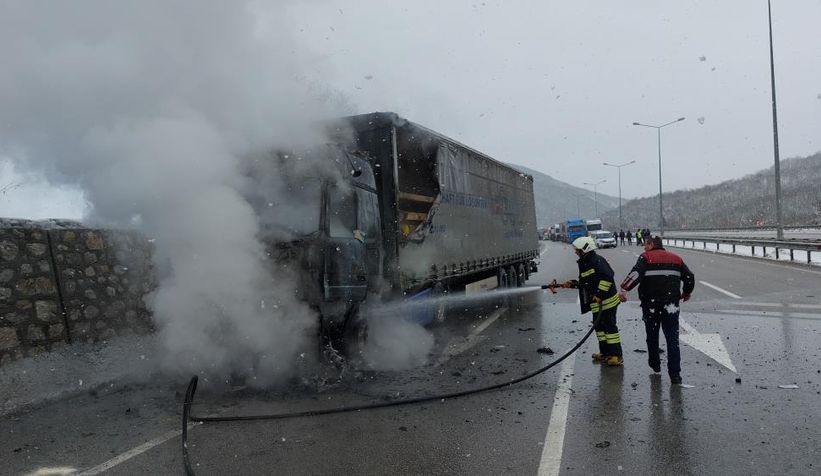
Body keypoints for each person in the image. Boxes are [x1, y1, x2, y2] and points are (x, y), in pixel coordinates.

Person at [619, 235, 695, 384]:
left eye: (645, 245)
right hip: (671, 306)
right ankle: (675, 375)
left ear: (652, 244)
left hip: (651, 306)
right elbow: (689, 277)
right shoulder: (676, 259)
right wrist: (686, 292)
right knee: (672, 339)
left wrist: (624, 288)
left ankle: (655, 365)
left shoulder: (646, 258)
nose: (644, 248)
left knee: (652, 337)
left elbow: (635, 275)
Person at [562, 236, 623, 366]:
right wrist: (572, 284)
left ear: (585, 249)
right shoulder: (585, 263)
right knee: (599, 328)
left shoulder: (597, 261)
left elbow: (608, 277)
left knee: (609, 328)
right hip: (597, 303)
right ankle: (605, 353)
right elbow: (586, 283)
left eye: (577, 250)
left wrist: (599, 294)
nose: (576, 252)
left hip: (607, 301)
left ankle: (616, 355)